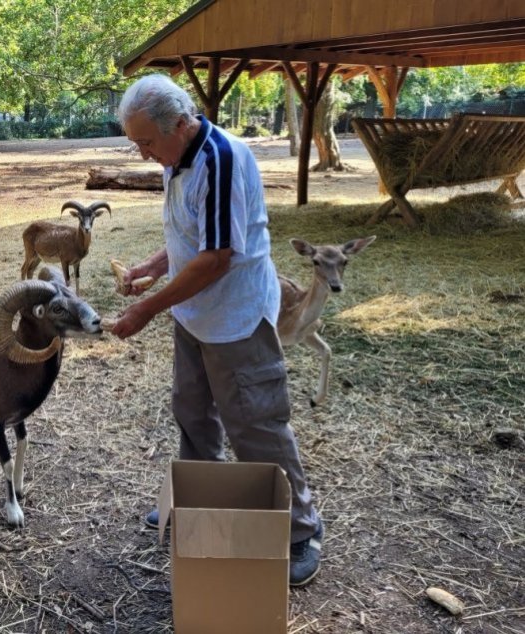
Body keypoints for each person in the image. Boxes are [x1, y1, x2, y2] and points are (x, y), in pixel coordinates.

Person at [110, 74, 323, 587]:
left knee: (256, 423)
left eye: (146, 142)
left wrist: (147, 310)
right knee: (193, 411)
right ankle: (199, 500)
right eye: (135, 142)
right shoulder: (174, 157)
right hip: (195, 314)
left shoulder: (221, 160)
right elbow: (189, 234)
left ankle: (299, 532)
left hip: (236, 318)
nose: (141, 153)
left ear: (180, 125)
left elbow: (217, 257)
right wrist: (151, 267)